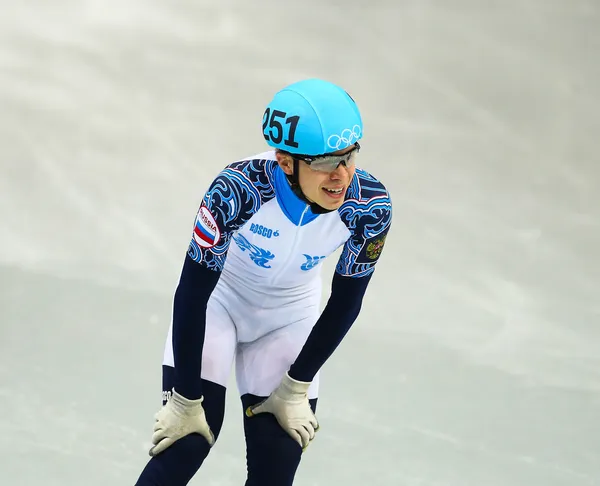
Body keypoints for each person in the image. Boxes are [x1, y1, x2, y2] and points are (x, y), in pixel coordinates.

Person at [134, 78, 393, 486]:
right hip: (220, 304)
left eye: (349, 157)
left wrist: (297, 385)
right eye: (325, 162)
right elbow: (192, 293)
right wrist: (184, 399)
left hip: (289, 317)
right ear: (286, 161)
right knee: (186, 443)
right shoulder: (238, 190)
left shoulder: (368, 206)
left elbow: (346, 302)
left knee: (277, 461)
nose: (341, 176)